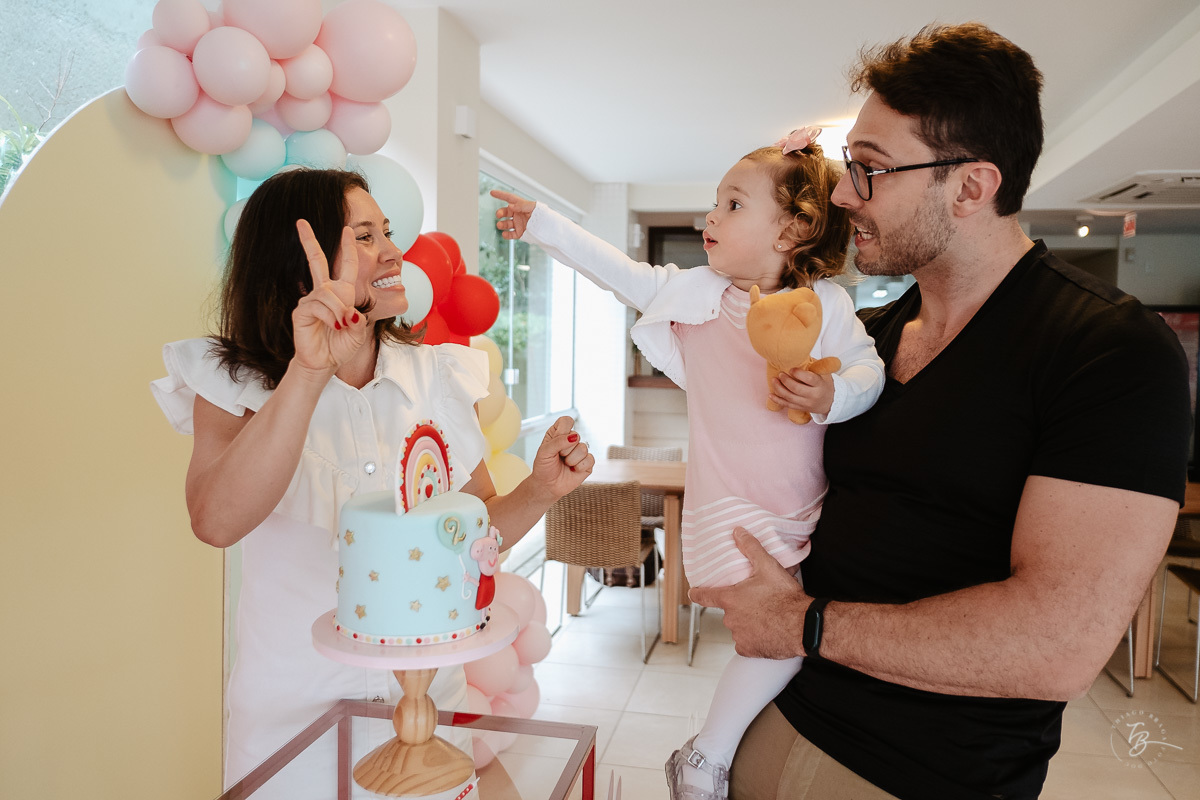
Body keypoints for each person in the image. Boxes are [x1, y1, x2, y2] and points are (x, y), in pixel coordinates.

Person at [689, 22, 1192, 800]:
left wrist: (803, 625)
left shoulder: (1109, 350)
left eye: (872, 169)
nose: (844, 194)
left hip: (916, 775)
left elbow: (1058, 642)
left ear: (970, 186)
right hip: (770, 726)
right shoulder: (867, 339)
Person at [151, 168, 593, 798]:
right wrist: (306, 374)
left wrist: (541, 492)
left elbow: (469, 531)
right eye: (364, 236)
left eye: (388, 231)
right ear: (297, 263)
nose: (393, 251)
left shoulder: (438, 375)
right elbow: (214, 522)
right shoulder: (231, 383)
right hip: (292, 723)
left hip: (429, 714)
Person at [491, 132, 886, 800]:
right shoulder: (698, 297)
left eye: (732, 204)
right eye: (714, 203)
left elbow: (869, 372)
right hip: (727, 512)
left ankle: (708, 755)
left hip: (801, 510)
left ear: (790, 229)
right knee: (786, 639)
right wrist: (545, 226)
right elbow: (616, 270)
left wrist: (833, 395)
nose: (710, 217)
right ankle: (707, 758)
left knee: (784, 638)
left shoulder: (826, 307)